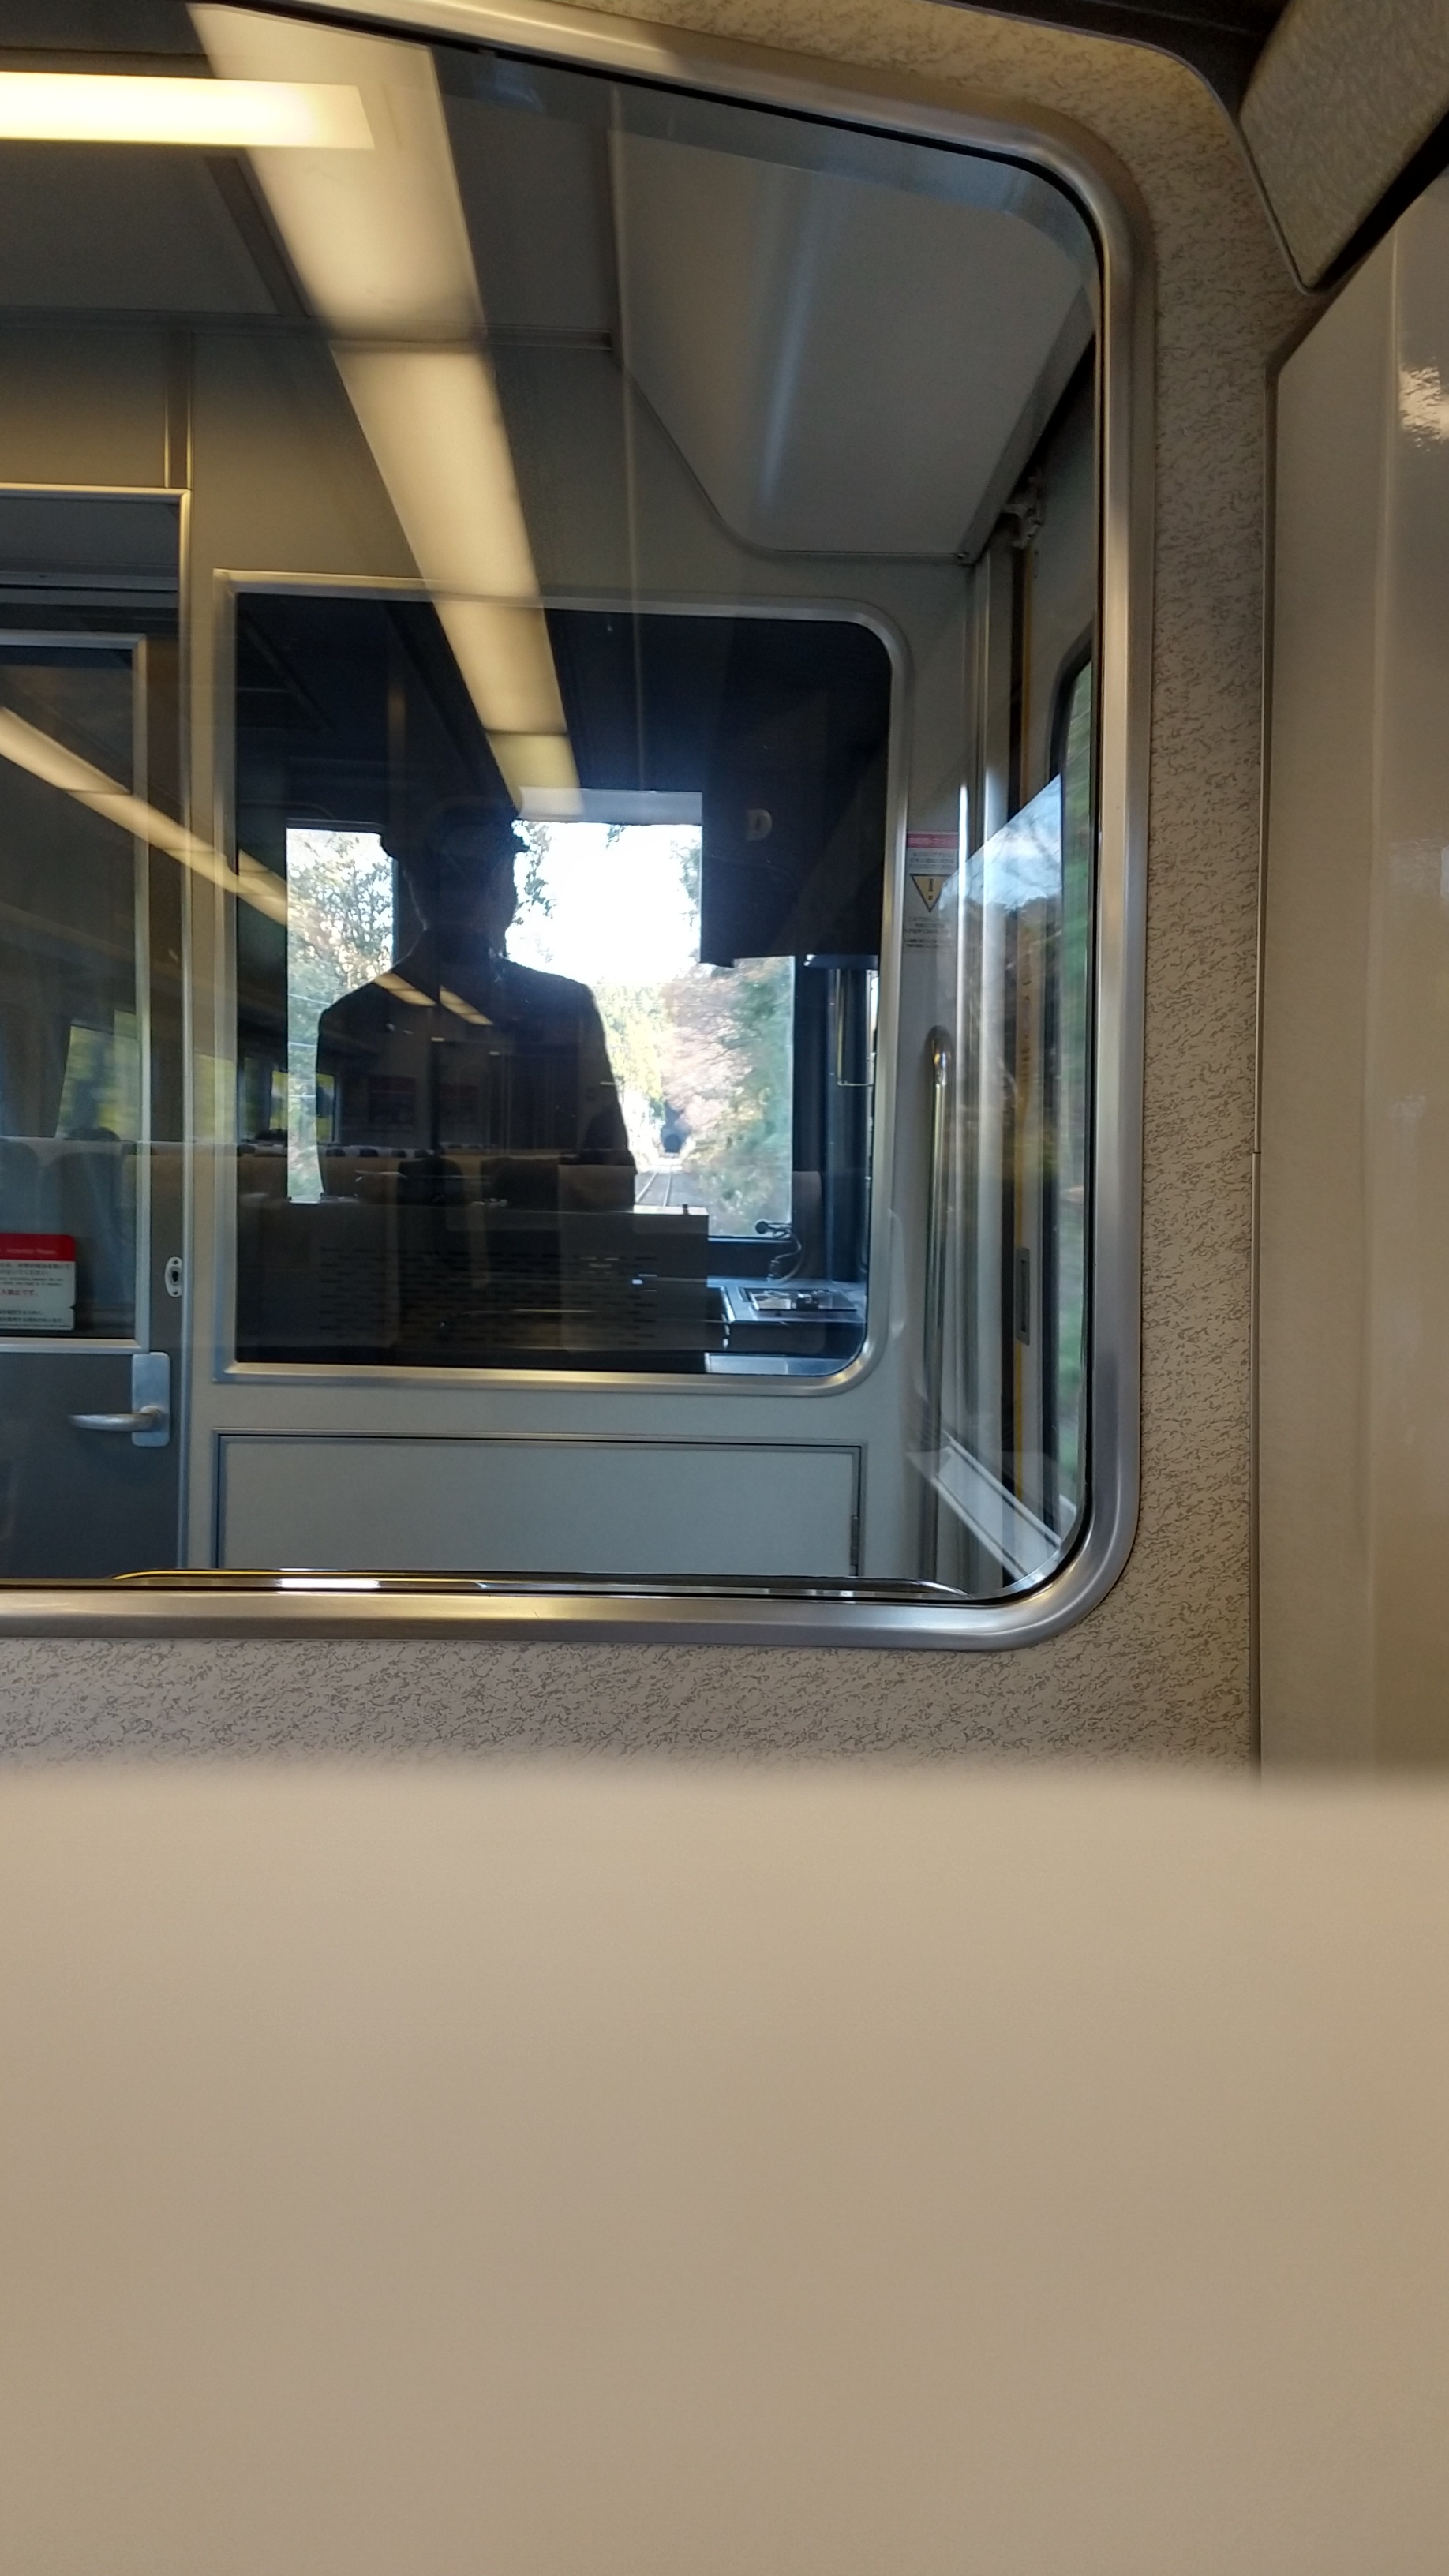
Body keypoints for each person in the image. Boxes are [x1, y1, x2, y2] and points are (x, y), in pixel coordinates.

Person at [316, 803, 632, 1177]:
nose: (471, 897)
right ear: (505, 891)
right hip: (530, 1216)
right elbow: (609, 1179)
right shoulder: (564, 1008)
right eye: (460, 882)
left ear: (415, 887)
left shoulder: (353, 1018)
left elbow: (344, 1183)